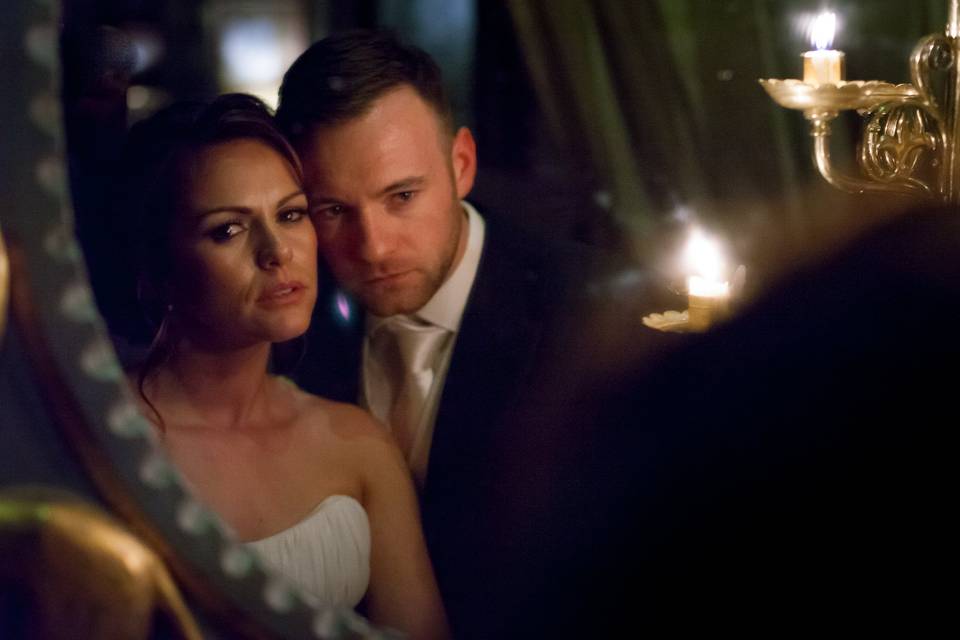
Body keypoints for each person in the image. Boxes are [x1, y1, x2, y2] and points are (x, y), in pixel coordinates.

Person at [275, 29, 681, 636]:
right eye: (333, 210)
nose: (374, 246)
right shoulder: (284, 326)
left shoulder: (595, 316)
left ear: (461, 165)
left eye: (402, 196)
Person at [115, 93, 448, 640]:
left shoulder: (357, 444)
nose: (277, 251)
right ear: (159, 269)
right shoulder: (108, 440)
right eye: (228, 229)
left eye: (291, 214)